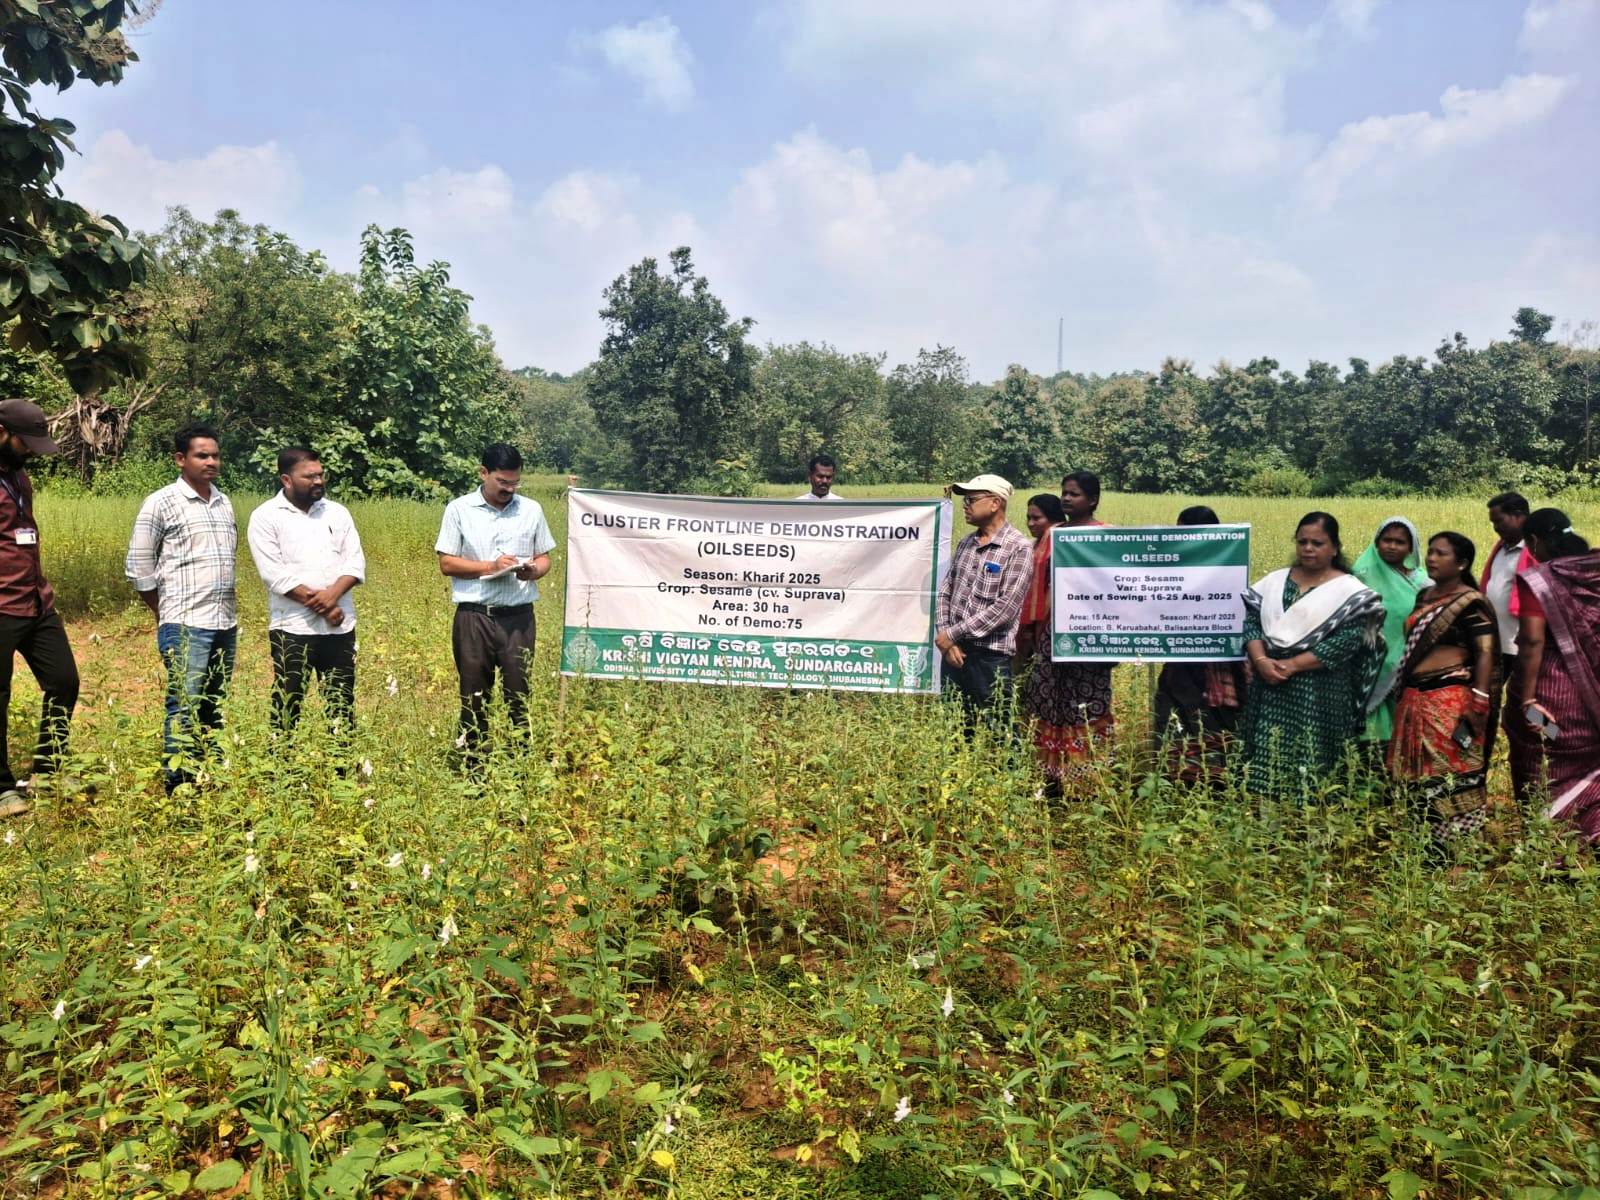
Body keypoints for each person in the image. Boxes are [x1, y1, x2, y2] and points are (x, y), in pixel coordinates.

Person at [1240, 512, 1386, 804]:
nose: (1308, 548)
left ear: (1334, 547)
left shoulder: (1348, 591)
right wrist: (1260, 661)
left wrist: (1292, 665)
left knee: (1314, 754)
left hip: (1320, 690)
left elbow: (1348, 640)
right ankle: (1268, 828)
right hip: (1269, 683)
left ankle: (1312, 831)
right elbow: (1252, 623)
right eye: (1302, 542)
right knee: (1268, 752)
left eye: (1317, 543)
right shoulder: (1275, 582)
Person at [125, 424, 238, 793]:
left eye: (215, 455)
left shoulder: (224, 502)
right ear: (180, 459)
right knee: (184, 706)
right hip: (185, 623)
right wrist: (164, 612)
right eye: (201, 455)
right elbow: (139, 566)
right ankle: (180, 786)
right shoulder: (161, 502)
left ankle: (208, 777)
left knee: (213, 706)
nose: (211, 462)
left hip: (223, 621)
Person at [1383, 533, 1503, 847]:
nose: (1432, 558)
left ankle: (1461, 852)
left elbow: (1486, 653)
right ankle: (1424, 846)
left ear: (1461, 563)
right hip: (1414, 698)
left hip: (1450, 698)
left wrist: (1479, 700)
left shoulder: (1470, 602)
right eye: (1431, 552)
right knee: (1416, 771)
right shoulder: (1424, 597)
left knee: (1454, 771)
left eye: (1441, 553)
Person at [436, 443, 556, 756]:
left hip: (518, 618)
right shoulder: (459, 509)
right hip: (474, 617)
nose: (509, 489)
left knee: (519, 693)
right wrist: (490, 567)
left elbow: (544, 557)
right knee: (474, 695)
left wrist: (533, 571)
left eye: (515, 483)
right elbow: (447, 563)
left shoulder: (531, 510)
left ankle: (519, 767)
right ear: (483, 473)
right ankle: (473, 764)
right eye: (502, 482)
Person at [246, 448, 365, 743]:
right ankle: (281, 766)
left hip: (340, 626)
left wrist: (333, 598)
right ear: (286, 479)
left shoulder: (337, 513)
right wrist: (326, 607)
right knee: (289, 699)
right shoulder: (265, 517)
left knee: (340, 700)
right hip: (292, 628)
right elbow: (275, 575)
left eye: (320, 475)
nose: (318, 481)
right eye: (309, 476)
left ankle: (341, 771)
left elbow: (355, 563)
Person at [0, 400, 80, 818]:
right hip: (0, 605)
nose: (30, 450)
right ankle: (2, 789)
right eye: (24, 442)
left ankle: (47, 771)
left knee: (64, 681)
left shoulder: (18, 475)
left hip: (35, 601)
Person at [1511, 508, 1600, 842]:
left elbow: (1533, 640)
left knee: (1544, 754)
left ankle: (1555, 846)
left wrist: (1528, 698)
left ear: (1534, 541)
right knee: (1593, 760)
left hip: (1554, 691)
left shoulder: (1542, 580)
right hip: (1595, 688)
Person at [1154, 506, 1248, 786]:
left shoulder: (1227, 566)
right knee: (1176, 711)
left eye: (1185, 532)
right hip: (1182, 659)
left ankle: (1215, 779)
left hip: (1214, 663)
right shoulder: (1174, 568)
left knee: (1210, 717)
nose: (1181, 538)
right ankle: (1181, 777)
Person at [935, 474, 1032, 722]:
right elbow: (946, 590)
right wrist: (948, 640)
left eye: (971, 499)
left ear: (995, 503)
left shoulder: (1018, 547)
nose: (965, 505)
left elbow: (1005, 609)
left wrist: (952, 634)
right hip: (954, 653)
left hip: (990, 658)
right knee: (955, 728)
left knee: (1000, 729)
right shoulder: (967, 542)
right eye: (964, 500)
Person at [1045, 470, 1116, 791]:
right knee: (1054, 704)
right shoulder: (1052, 534)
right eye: (1064, 492)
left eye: (1074, 493)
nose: (1066, 498)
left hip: (1093, 638)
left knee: (1088, 705)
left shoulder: (1108, 535)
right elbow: (1039, 586)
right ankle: (1053, 777)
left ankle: (1086, 780)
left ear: (1093, 500)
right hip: (1053, 635)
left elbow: (1120, 587)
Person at [1015, 493, 1074, 785]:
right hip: (1029, 634)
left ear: (1053, 519)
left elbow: (1052, 592)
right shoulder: (1036, 545)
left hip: (1048, 635)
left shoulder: (1057, 544)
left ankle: (1054, 768)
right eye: (1028, 517)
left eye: (1036, 518)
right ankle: (1036, 760)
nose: (1030, 523)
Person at [1483, 492, 1537, 804]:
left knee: (1530, 711)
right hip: (1497, 648)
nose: (1496, 528)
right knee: (1486, 708)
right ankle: (1481, 766)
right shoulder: (1501, 550)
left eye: (1499, 521)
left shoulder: (1536, 550)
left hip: (1528, 651)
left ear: (1519, 515)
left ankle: (1552, 753)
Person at [1352, 516, 1425, 746]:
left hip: (1407, 662)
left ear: (1411, 547)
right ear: (1377, 542)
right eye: (1387, 540)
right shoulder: (1360, 576)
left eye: (1400, 542)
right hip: (1367, 661)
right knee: (1370, 722)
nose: (1392, 546)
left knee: (1403, 720)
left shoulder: (1423, 582)